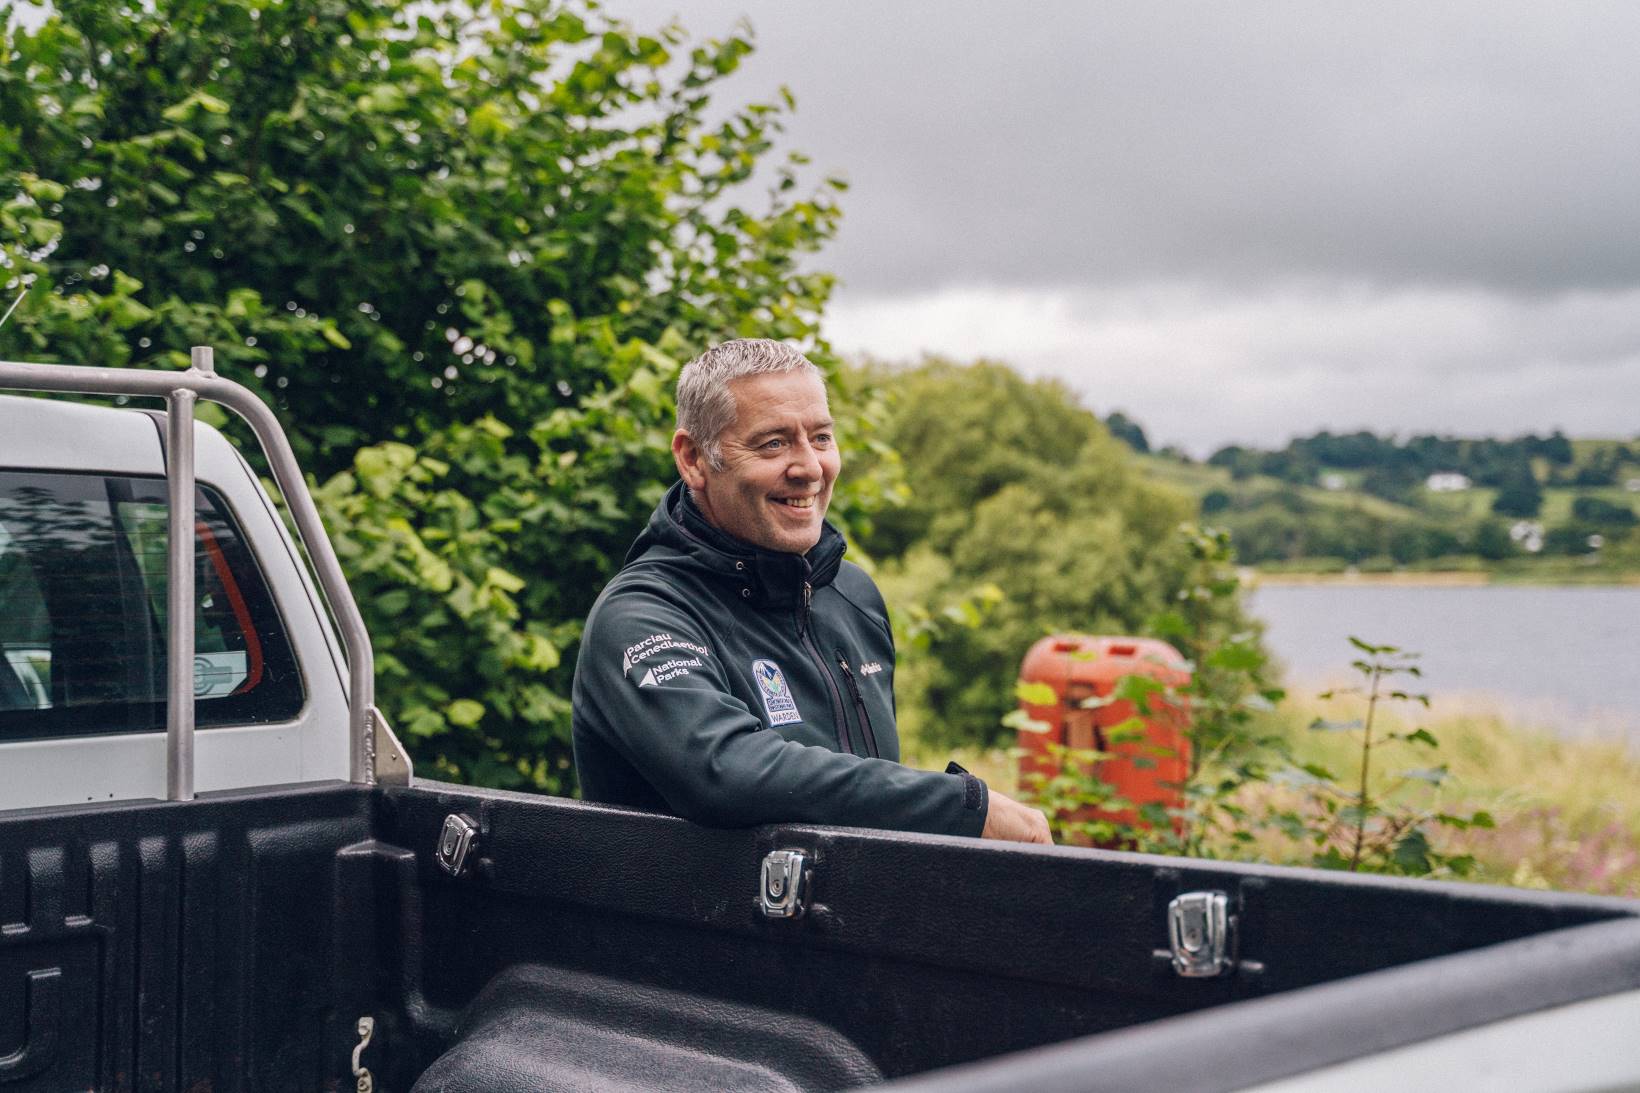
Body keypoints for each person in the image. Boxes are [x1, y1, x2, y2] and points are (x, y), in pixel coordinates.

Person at [571, 338, 1051, 843]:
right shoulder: (642, 615)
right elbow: (727, 772)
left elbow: (868, 796)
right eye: (773, 444)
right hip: (692, 923)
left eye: (820, 438)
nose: (809, 468)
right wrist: (960, 806)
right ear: (693, 459)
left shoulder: (851, 594)